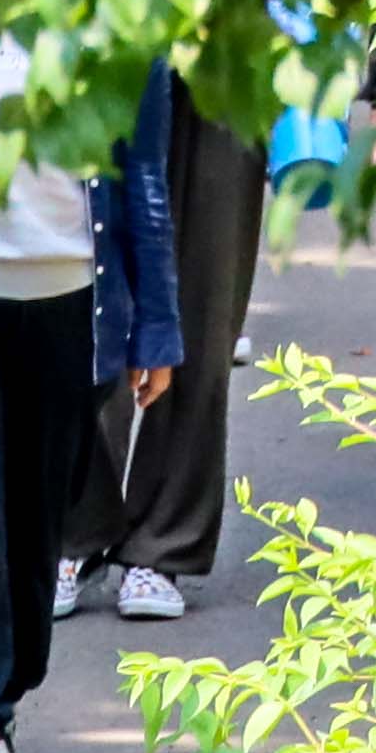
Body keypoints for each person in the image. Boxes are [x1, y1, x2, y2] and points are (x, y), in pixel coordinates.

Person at [0, 32, 180, 753]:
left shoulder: (121, 20)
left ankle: (6, 693)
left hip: (70, 307)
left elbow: (146, 177)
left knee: (34, 533)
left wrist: (157, 328)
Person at [69, 54, 267, 625]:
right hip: (108, 10)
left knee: (204, 292)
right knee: (83, 260)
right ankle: (71, 527)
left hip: (230, 34)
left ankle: (163, 542)